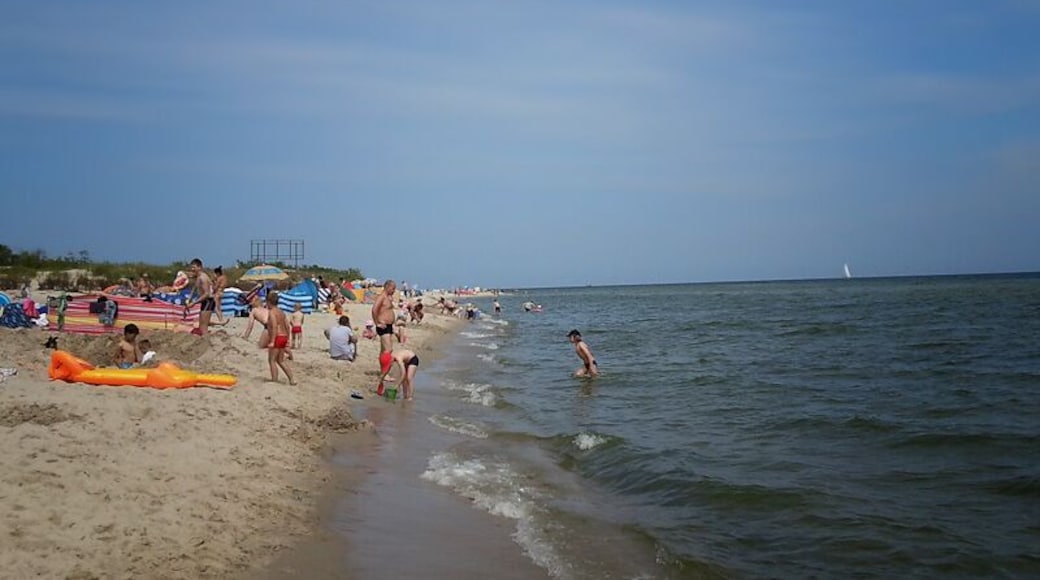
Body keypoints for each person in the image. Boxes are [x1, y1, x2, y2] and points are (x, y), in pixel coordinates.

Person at [266, 291, 296, 385]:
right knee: (281, 360)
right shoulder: (281, 312)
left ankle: (274, 380)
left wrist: (272, 341)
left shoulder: (272, 312)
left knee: (272, 360)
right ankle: (291, 379)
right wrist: (288, 338)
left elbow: (274, 326)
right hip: (283, 336)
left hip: (277, 337)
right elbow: (287, 326)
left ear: (268, 302)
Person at [187, 258, 220, 335]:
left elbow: (206, 294)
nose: (192, 269)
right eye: (191, 267)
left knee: (203, 327)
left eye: (194, 267)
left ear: (199, 267)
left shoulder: (203, 278)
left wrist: (194, 303)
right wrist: (189, 298)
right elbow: (194, 288)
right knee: (201, 325)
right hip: (205, 301)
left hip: (209, 301)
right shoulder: (198, 277)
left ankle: (207, 341)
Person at [371, 279, 397, 355]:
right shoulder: (381, 297)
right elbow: (374, 310)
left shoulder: (387, 297)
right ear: (387, 287)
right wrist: (377, 323)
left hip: (388, 326)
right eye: (393, 289)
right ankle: (386, 366)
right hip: (383, 326)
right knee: (389, 349)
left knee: (383, 350)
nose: (394, 291)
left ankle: (382, 366)